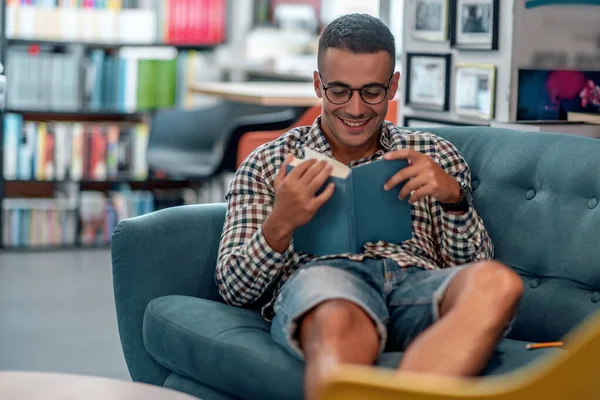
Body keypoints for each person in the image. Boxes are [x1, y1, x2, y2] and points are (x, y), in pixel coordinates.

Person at [216, 13, 523, 400]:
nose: (357, 109)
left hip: (418, 285)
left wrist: (454, 200)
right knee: (335, 314)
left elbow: (472, 266)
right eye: (339, 91)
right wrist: (280, 223)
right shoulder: (268, 162)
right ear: (317, 84)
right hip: (325, 281)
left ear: (393, 86)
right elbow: (233, 288)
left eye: (372, 92)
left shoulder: (434, 154)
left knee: (498, 282)